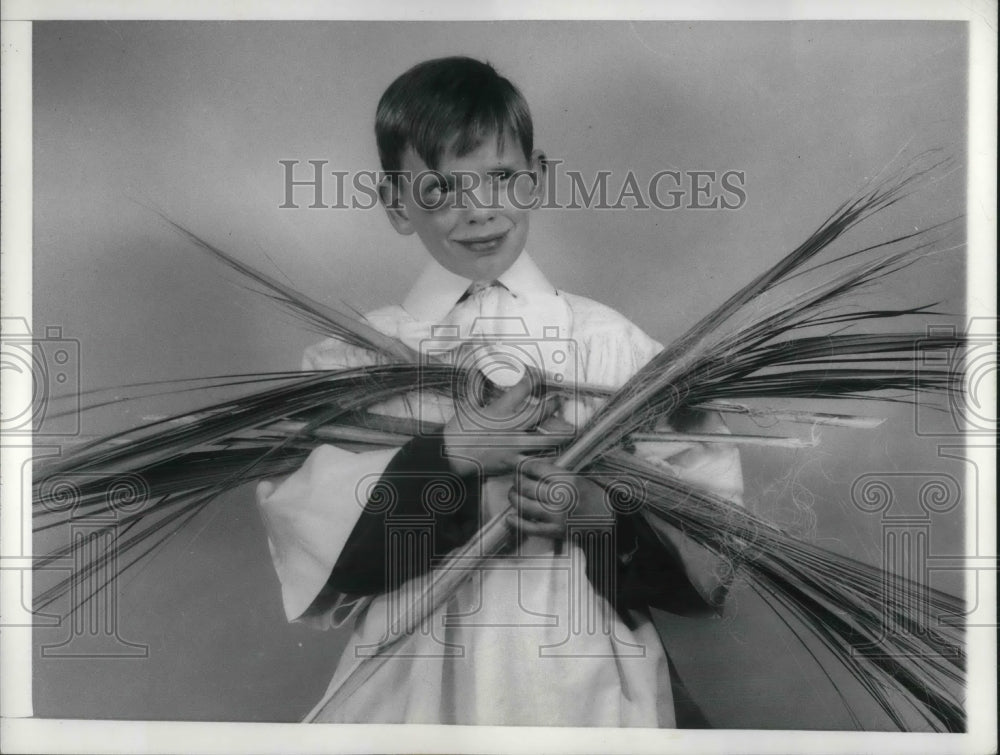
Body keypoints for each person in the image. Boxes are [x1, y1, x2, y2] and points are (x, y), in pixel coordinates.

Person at [256, 56, 744, 727]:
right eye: (440, 191)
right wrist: (451, 456)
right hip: (415, 683)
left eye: (501, 178)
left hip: (586, 681)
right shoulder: (356, 361)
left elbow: (709, 539)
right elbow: (320, 540)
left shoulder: (613, 348)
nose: (478, 211)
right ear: (396, 203)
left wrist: (596, 510)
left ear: (537, 178)